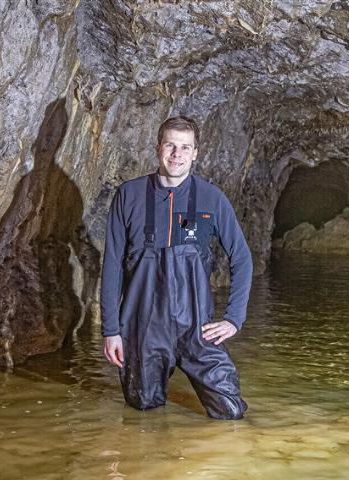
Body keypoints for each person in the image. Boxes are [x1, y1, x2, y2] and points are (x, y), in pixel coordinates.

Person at [100, 116, 253, 420]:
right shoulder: (128, 195)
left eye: (185, 147)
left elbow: (242, 259)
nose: (176, 154)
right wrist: (111, 330)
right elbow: (113, 264)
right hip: (143, 331)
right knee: (143, 417)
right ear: (158, 147)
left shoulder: (212, 198)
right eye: (170, 145)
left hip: (196, 330)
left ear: (196, 153)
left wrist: (234, 319)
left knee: (230, 412)